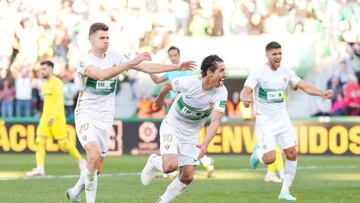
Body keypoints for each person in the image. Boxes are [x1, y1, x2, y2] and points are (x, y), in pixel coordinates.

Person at [65, 22, 196, 203]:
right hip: (86, 114)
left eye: (107, 37)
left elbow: (145, 67)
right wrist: (131, 63)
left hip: (105, 117)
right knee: (93, 156)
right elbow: (102, 76)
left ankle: (74, 193)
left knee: (96, 168)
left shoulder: (115, 55)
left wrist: (175, 67)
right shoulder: (83, 60)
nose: (106, 41)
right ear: (91, 40)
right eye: (102, 38)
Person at [240, 41, 333, 201]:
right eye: (274, 54)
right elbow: (246, 90)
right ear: (267, 55)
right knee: (270, 159)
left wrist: (322, 93)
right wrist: (246, 98)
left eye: (279, 53)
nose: (277, 57)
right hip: (265, 121)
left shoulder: (286, 72)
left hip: (282, 118)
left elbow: (303, 86)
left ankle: (285, 192)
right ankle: (258, 152)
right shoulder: (259, 72)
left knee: (292, 153)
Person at [141, 55, 228, 203]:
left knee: (187, 176)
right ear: (209, 72)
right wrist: (161, 99)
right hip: (172, 126)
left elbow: (215, 121)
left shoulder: (221, 92)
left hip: (191, 135)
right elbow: (168, 85)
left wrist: (205, 144)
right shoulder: (190, 83)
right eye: (221, 71)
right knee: (169, 166)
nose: (224, 74)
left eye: (224, 70)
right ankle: (153, 161)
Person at [150, 46, 215, 177]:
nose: (173, 57)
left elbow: (187, 92)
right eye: (171, 55)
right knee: (176, 142)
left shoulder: (186, 72)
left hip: (184, 110)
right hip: (172, 111)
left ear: (179, 56)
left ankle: (205, 161)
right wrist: (147, 69)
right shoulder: (169, 72)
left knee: (185, 143)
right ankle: (205, 162)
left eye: (175, 55)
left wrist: (172, 99)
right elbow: (157, 80)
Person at [26, 60, 86, 177]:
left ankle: (81, 161)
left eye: (44, 69)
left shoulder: (57, 83)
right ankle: (40, 168)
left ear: (51, 69)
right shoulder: (45, 84)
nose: (42, 71)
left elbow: (59, 102)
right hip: (45, 117)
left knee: (63, 144)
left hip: (57, 118)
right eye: (41, 69)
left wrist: (53, 116)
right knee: (39, 141)